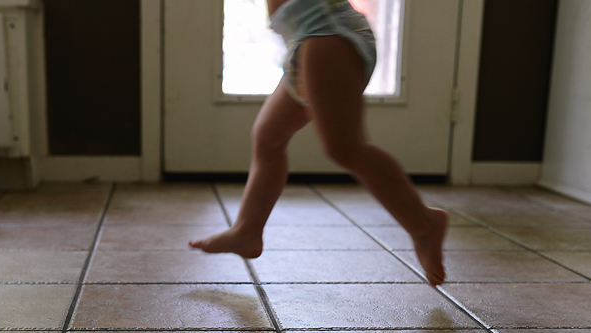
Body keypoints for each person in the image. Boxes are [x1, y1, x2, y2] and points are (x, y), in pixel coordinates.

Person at [189, 0, 447, 287]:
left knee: (345, 146)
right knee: (268, 138)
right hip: (306, 36)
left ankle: (424, 223)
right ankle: (247, 230)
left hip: (327, 35)